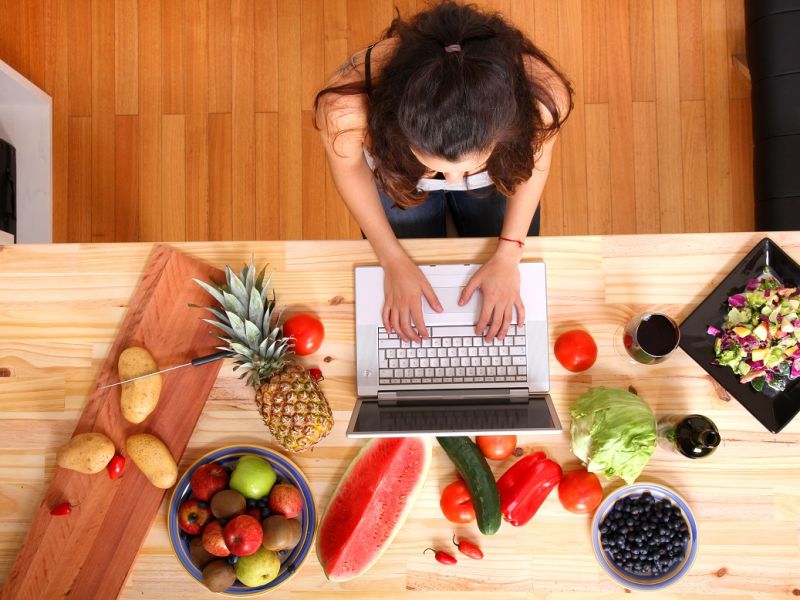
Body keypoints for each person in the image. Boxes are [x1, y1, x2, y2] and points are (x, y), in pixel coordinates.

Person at [314, 1, 572, 344]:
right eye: (438, 167)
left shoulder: (543, 98)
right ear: (393, 122)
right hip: (397, 173)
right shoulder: (344, 106)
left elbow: (536, 164)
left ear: (508, 128)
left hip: (494, 176)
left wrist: (510, 253)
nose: (454, 183)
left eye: (467, 166)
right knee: (407, 251)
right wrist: (390, 258)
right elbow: (349, 168)